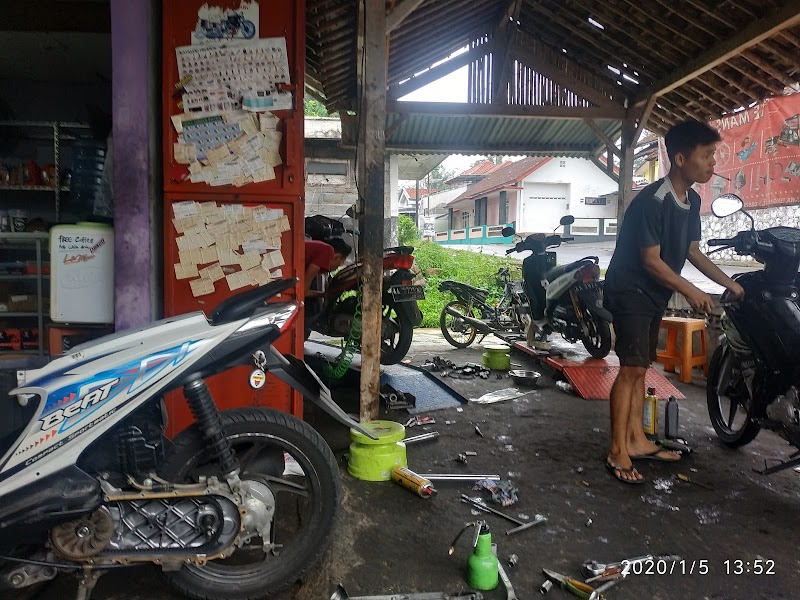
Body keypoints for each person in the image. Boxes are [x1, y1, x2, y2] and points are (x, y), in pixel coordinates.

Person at [603, 119, 745, 484]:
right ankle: (618, 451)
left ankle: (636, 440)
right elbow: (651, 260)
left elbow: (692, 251)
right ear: (680, 158)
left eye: (714, 154)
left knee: (641, 367)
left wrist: (730, 283)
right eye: (706, 155)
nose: (713, 162)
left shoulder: (692, 199)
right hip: (630, 289)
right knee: (631, 369)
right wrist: (692, 291)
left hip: (652, 294)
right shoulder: (652, 201)